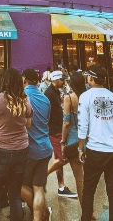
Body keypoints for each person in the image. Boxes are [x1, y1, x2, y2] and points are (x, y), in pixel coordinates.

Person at [77, 65, 113, 221]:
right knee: (112, 190)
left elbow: (82, 125)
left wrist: (80, 147)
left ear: (91, 78)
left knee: (89, 189)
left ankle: (86, 218)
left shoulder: (85, 96)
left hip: (95, 149)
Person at [0, 68, 31, 221]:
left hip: (0, 149)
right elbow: (28, 124)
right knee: (15, 194)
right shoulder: (25, 99)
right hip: (21, 149)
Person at [47, 71, 86, 208]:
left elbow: (66, 122)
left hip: (73, 138)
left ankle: (87, 213)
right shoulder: (87, 96)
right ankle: (60, 185)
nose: (65, 82)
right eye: (63, 80)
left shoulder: (70, 97)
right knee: (87, 177)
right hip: (87, 138)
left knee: (79, 178)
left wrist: (63, 140)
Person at [20, 69, 52, 221]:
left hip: (28, 149)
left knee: (18, 184)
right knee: (38, 188)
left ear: (24, 79)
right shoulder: (45, 99)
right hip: (45, 147)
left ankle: (44, 211)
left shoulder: (22, 97)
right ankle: (39, 217)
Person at [43, 70, 77, 198]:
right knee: (63, 158)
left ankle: (61, 186)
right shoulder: (49, 93)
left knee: (60, 158)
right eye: (62, 79)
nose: (64, 82)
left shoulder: (56, 92)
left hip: (57, 129)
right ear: (56, 80)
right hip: (54, 130)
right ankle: (42, 177)